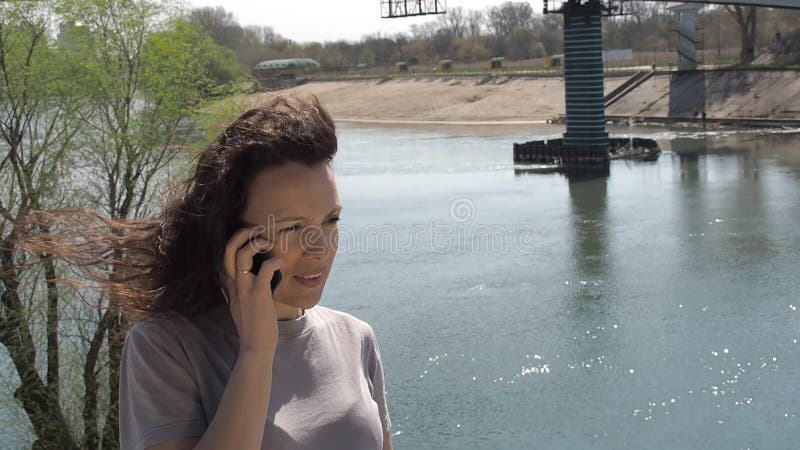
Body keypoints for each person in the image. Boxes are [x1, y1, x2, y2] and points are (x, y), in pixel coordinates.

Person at [106, 94, 391, 449]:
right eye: (291, 228)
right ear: (235, 240)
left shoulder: (356, 338)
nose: (319, 247)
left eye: (330, 220)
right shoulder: (166, 347)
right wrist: (256, 351)